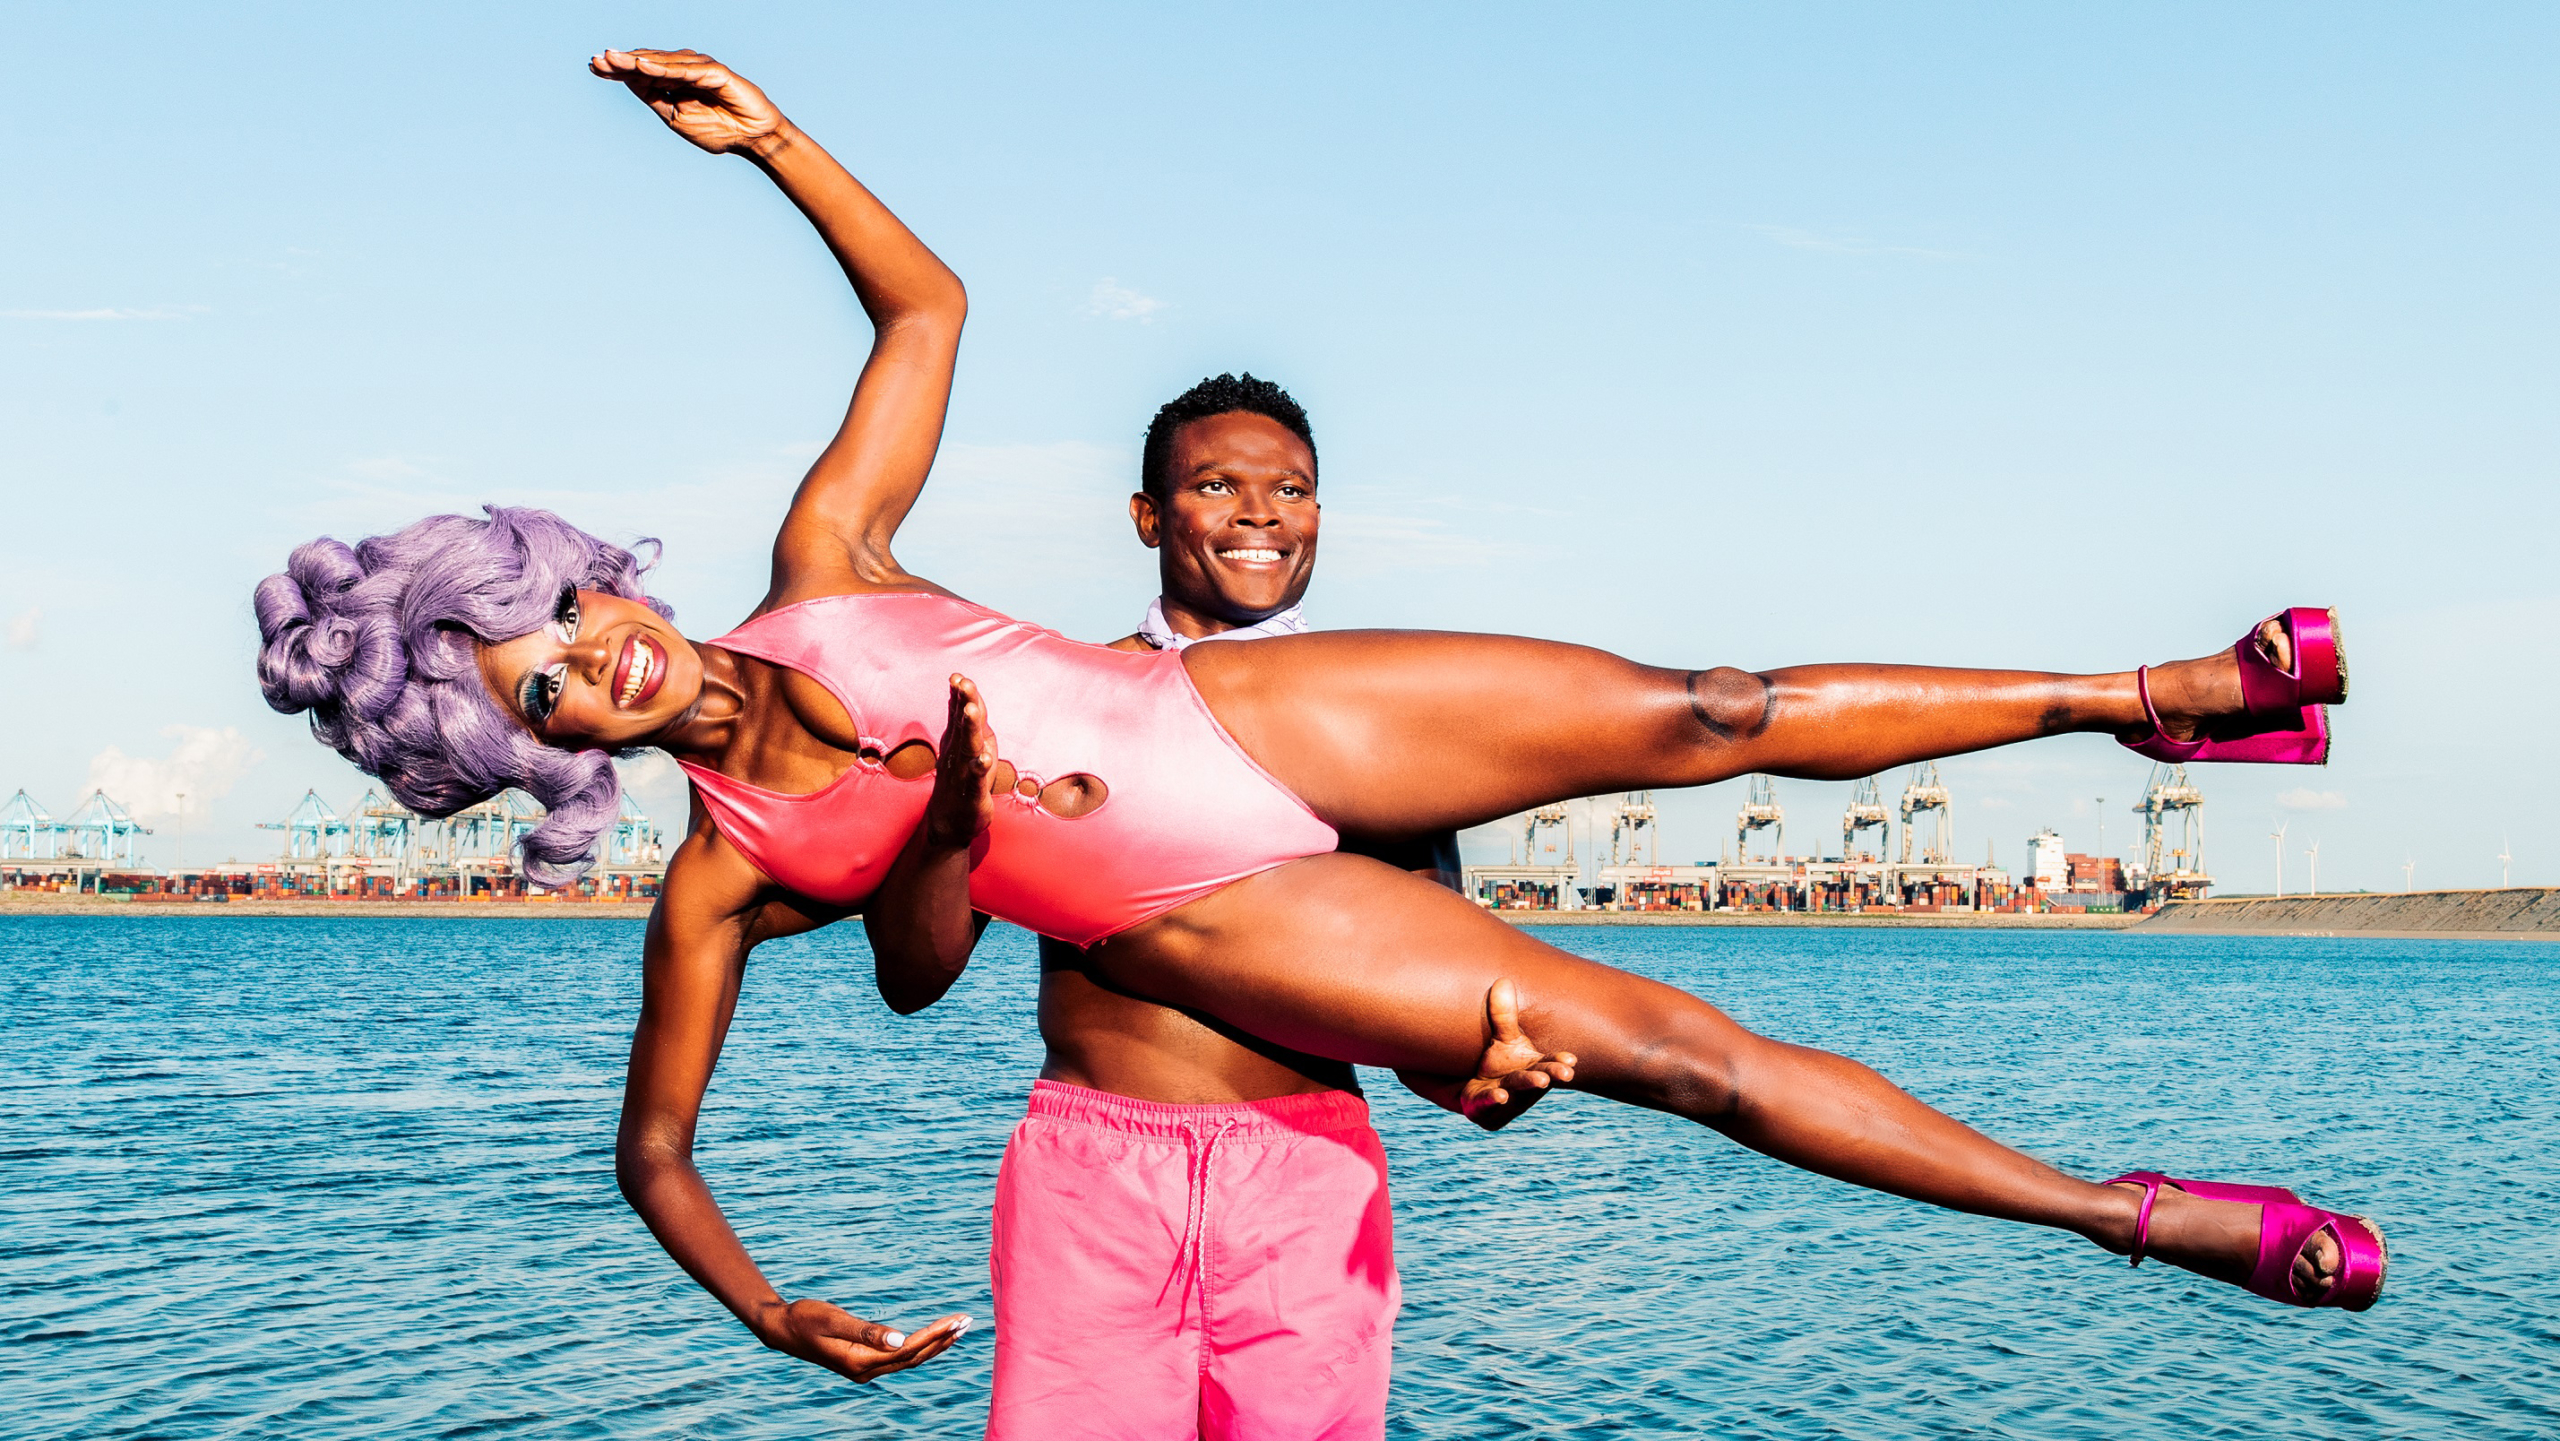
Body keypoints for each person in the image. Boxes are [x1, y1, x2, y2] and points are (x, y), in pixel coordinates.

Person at [252, 47, 2383, 1408]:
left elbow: (928, 306)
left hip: (1225, 708)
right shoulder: (722, 875)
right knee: (1681, 1060)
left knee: (1704, 709)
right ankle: (2131, 1213)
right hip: (1199, 913)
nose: (594, 660)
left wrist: (775, 142)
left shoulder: (827, 557)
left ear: (593, 567)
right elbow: (720, 1107)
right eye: (544, 689)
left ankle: (2161, 700)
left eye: (564, 612)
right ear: (537, 751)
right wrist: (766, 1303)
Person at [991, 370, 1569, 1438]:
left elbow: (1412, 1016)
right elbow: (916, 968)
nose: (1261, 514)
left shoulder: (1369, 728)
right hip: (1095, 1178)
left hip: (1308, 1174)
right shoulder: (1061, 699)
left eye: (1292, 491)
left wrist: (1482, 1083)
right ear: (1147, 516)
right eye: (1217, 485)